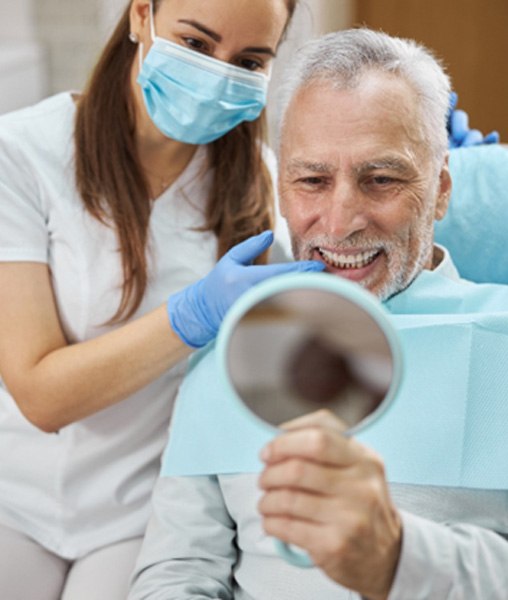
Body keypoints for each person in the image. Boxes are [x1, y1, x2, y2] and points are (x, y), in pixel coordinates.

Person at [128, 29, 508, 599]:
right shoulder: (229, 348)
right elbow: (177, 568)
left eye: (381, 179)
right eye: (312, 180)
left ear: (441, 190)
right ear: (281, 191)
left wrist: (399, 558)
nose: (339, 223)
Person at [0, 1, 336, 598]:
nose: (217, 73)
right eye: (197, 44)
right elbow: (40, 395)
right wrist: (193, 315)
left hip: (139, 511)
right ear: (139, 17)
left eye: (249, 60)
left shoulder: (259, 189)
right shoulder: (21, 153)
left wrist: (431, 165)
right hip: (12, 496)